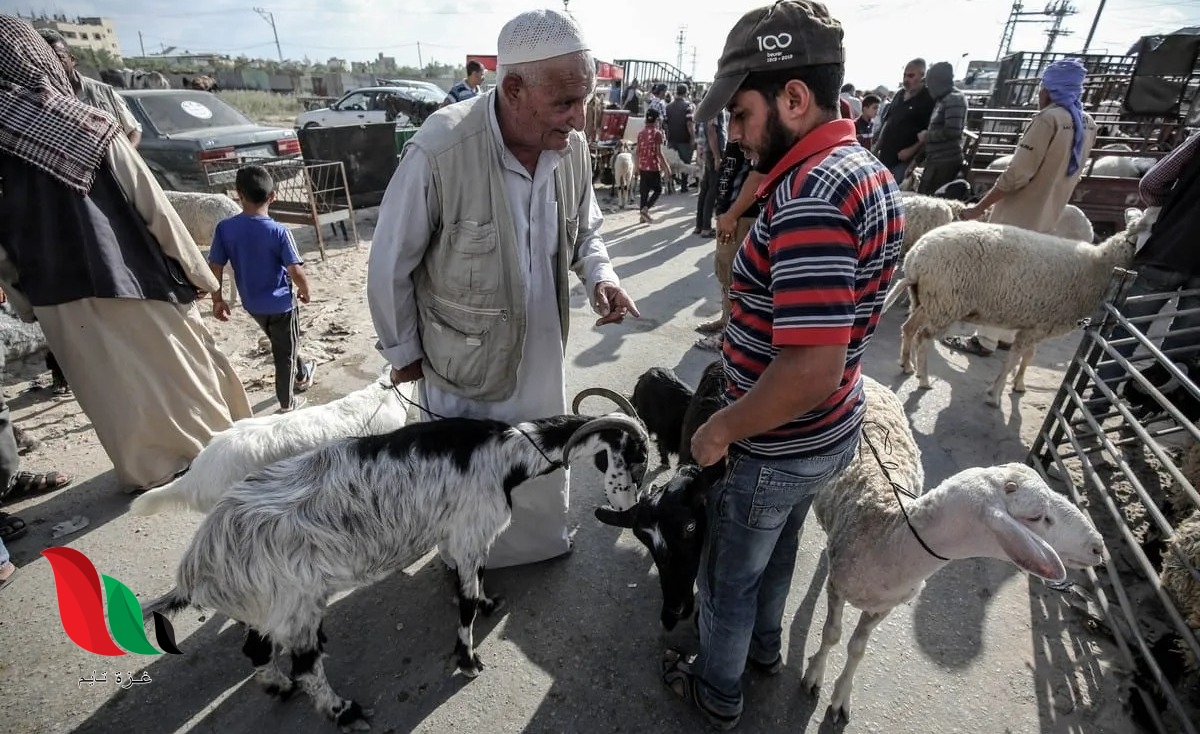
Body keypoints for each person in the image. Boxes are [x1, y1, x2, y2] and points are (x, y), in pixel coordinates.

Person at [664, 1, 904, 728]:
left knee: (729, 573)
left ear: (794, 99)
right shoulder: (862, 169)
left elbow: (806, 371)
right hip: (826, 436)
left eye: (740, 114)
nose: (733, 135)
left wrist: (722, 431)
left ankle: (718, 689)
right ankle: (765, 651)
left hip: (778, 437)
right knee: (778, 549)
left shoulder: (811, 198)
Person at [366, 8, 639, 569]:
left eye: (584, 100)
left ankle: (538, 545)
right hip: (462, 359)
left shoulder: (572, 150)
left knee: (539, 455)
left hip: (541, 353)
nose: (579, 120)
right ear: (513, 88)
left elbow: (587, 228)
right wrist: (403, 351)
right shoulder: (441, 149)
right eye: (565, 103)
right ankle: (469, 563)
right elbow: (390, 261)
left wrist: (601, 276)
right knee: (468, 472)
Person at [0, 16, 253, 493]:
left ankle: (148, 474)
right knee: (187, 376)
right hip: (133, 277)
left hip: (56, 293)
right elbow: (152, 206)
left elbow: (3, 250)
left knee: (113, 394)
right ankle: (219, 462)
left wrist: (25, 302)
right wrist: (199, 273)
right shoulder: (87, 125)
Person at [942, 58, 1099, 358]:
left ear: (1050, 89)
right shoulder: (1087, 123)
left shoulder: (1048, 119)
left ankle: (984, 340)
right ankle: (1005, 336)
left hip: (1018, 215)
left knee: (998, 276)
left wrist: (979, 208)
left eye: (1043, 86)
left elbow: (1017, 175)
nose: (1040, 93)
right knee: (1021, 278)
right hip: (1048, 215)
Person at [1090, 129, 1200, 399]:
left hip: (1166, 250)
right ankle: (1141, 418)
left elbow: (1152, 183)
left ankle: (1095, 408)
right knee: (1178, 354)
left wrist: (1172, 208)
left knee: (1124, 337)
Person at [209, 165, 316, 413]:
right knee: (284, 354)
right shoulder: (279, 231)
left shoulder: (225, 229)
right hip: (282, 305)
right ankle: (287, 404)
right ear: (273, 196)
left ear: (238, 194)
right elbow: (295, 270)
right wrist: (305, 290)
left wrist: (218, 299)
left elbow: (215, 266)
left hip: (252, 304)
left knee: (284, 342)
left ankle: (302, 373)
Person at [695, 139, 765, 349]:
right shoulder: (736, 139)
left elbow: (757, 178)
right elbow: (727, 174)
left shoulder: (759, 139)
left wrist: (732, 215)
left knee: (738, 277)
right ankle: (725, 320)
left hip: (743, 217)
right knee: (725, 271)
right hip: (729, 214)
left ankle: (730, 335)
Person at [37, 29, 142, 148]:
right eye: (45, 60)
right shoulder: (40, 100)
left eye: (58, 58)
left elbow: (133, 130)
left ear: (72, 59)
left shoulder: (103, 92)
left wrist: (125, 158)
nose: (52, 65)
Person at [873, 58, 934, 182]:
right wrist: (876, 147)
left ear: (922, 76)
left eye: (911, 75)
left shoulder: (928, 99)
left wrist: (911, 151)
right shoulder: (899, 94)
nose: (906, 79)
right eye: (904, 75)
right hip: (885, 155)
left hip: (904, 161)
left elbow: (929, 132)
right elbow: (888, 122)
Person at [916, 61, 967, 195]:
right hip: (935, 159)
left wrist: (926, 136)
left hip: (945, 161)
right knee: (925, 194)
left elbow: (953, 131)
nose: (928, 86)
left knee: (933, 198)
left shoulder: (954, 99)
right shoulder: (943, 99)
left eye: (929, 82)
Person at [695, 109, 728, 237]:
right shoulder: (715, 109)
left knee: (705, 189)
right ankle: (706, 227)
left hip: (708, 151)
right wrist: (717, 157)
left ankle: (700, 224)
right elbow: (711, 131)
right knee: (712, 190)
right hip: (714, 152)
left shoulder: (706, 109)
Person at [637, 107, 671, 223]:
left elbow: (638, 151)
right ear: (656, 120)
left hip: (642, 166)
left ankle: (642, 216)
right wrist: (666, 167)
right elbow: (659, 153)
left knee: (644, 192)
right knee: (658, 190)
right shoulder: (657, 134)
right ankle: (645, 209)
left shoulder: (641, 133)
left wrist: (637, 166)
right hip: (653, 166)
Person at [665, 84, 696, 192]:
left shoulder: (668, 107)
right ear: (686, 92)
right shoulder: (688, 106)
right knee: (685, 162)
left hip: (672, 138)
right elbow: (689, 124)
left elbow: (665, 124)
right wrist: (693, 138)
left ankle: (671, 185)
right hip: (684, 139)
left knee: (672, 163)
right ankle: (683, 186)